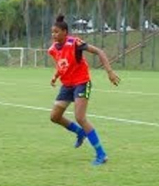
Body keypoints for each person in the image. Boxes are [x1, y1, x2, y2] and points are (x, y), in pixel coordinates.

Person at [48, 15, 120, 165]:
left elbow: (99, 51)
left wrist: (110, 72)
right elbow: (62, 64)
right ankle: (80, 133)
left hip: (81, 83)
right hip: (67, 85)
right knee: (55, 116)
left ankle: (101, 154)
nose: (53, 35)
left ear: (65, 32)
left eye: (56, 32)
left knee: (80, 117)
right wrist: (55, 76)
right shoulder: (53, 49)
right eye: (52, 32)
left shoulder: (75, 43)